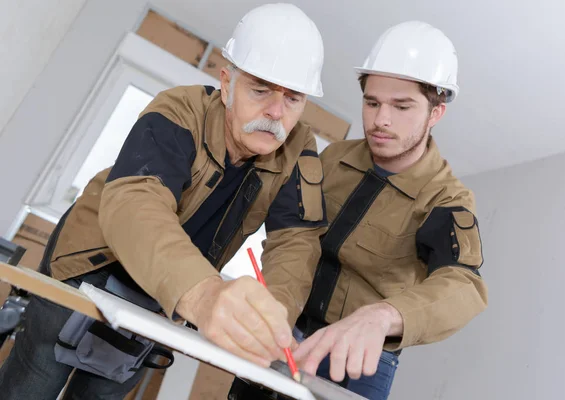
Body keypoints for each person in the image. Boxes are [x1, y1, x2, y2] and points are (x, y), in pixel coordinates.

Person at [0, 4, 328, 399]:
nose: (276, 112)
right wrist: (204, 294)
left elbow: (298, 242)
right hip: (93, 263)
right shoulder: (178, 109)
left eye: (293, 99)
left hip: (162, 294)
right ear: (226, 84)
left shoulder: (298, 148)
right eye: (260, 89)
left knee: (104, 390)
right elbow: (137, 202)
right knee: (32, 382)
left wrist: (271, 321)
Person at [287, 21, 488, 400]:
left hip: (360, 360)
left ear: (436, 113)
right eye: (372, 102)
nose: (381, 119)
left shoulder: (445, 199)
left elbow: (464, 286)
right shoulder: (332, 158)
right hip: (286, 331)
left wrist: (382, 317)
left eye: (402, 106)